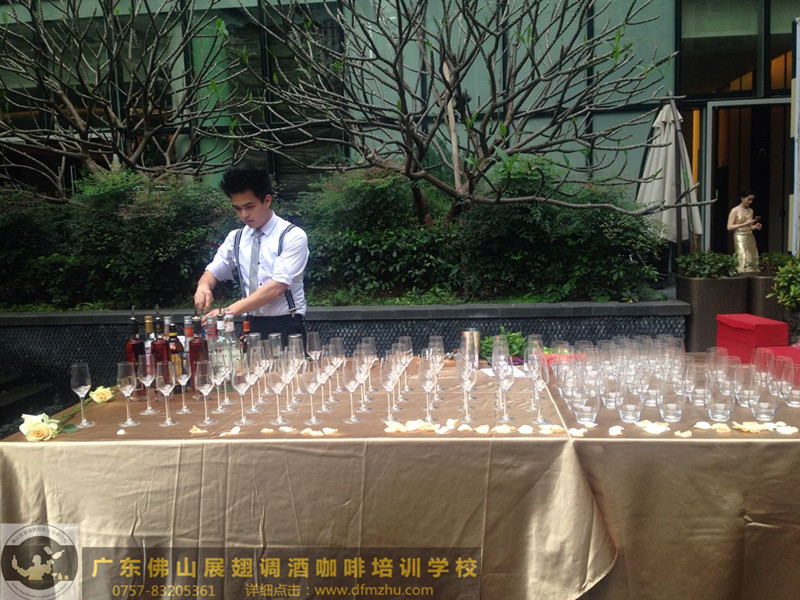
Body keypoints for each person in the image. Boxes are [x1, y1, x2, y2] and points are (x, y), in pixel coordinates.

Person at [194, 163, 308, 345]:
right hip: (251, 324)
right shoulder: (236, 238)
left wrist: (227, 312)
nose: (244, 215)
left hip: (287, 324)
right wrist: (203, 286)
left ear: (267, 200)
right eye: (237, 208)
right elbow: (213, 271)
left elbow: (277, 287)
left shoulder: (292, 236)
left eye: (249, 206)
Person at [726, 187, 761, 273]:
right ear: (742, 198)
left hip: (749, 235)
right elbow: (729, 227)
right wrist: (744, 224)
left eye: (752, 200)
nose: (750, 202)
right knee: (742, 255)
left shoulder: (751, 211)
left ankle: (752, 274)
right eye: (748, 199)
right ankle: (741, 273)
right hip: (739, 235)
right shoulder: (735, 210)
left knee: (752, 256)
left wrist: (755, 226)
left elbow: (749, 226)